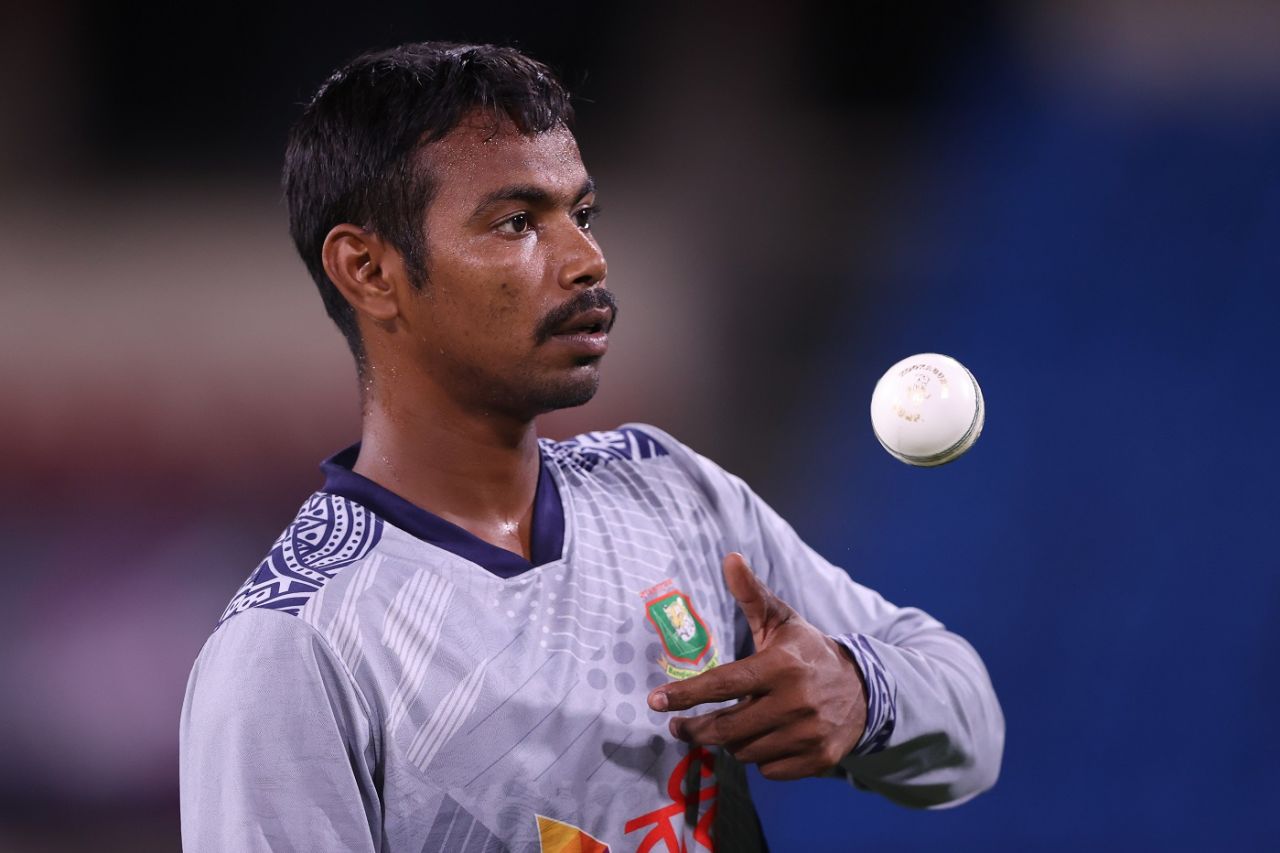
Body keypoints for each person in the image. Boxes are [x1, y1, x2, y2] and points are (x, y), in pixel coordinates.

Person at [179, 41, 1004, 852]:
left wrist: (863, 694)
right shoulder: (296, 646)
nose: (588, 259)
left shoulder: (671, 492)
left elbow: (974, 733)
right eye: (516, 222)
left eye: (581, 214)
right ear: (367, 269)